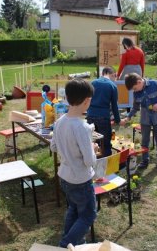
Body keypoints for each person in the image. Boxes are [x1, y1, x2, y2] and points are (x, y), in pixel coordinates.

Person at [50, 78, 98, 248]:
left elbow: (54, 146)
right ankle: (66, 243)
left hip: (65, 176)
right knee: (88, 215)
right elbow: (90, 160)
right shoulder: (82, 127)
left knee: (74, 210)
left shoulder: (60, 121)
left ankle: (72, 241)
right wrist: (93, 147)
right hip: (80, 179)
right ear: (87, 101)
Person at [120, 73, 157, 170]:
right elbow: (135, 108)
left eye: (134, 88)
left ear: (139, 82)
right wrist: (128, 117)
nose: (134, 91)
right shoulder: (136, 93)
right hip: (145, 118)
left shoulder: (154, 84)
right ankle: (144, 160)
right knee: (145, 140)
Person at [87, 66, 120, 157]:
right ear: (113, 74)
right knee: (105, 143)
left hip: (90, 115)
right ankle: (106, 167)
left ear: (102, 74)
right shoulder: (112, 86)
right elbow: (114, 106)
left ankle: (93, 163)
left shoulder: (93, 82)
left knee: (92, 141)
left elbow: (87, 99)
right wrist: (117, 120)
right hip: (103, 117)